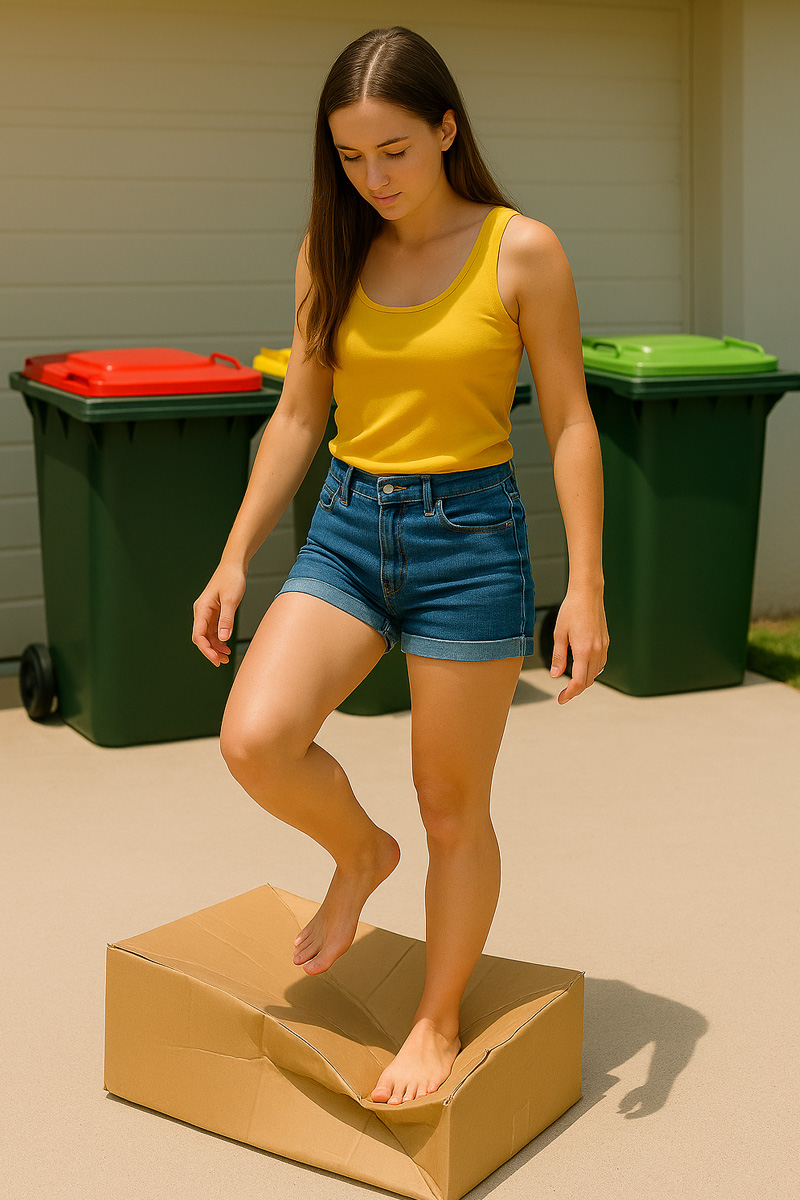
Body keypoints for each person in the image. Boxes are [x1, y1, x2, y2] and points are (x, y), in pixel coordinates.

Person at [192, 25, 609, 1107]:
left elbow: (567, 422)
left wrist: (588, 584)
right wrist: (234, 555)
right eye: (349, 157)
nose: (371, 178)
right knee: (255, 739)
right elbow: (296, 414)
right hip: (344, 525)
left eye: (393, 151)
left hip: (466, 541)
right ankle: (357, 856)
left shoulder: (522, 250)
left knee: (451, 806)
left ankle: (434, 1017)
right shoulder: (329, 249)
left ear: (445, 130)